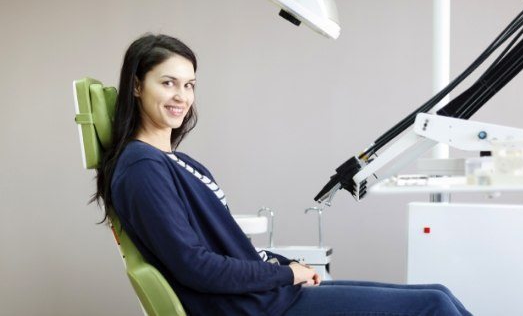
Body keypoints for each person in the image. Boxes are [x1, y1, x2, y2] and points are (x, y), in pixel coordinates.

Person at [94, 34, 473, 316]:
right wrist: (284, 275)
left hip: (267, 295)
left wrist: (286, 267)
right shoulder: (143, 168)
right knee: (433, 306)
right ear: (137, 85)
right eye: (168, 83)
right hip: (254, 308)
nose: (182, 96)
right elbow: (195, 266)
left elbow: (227, 247)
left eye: (189, 85)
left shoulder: (175, 161)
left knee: (439, 293)